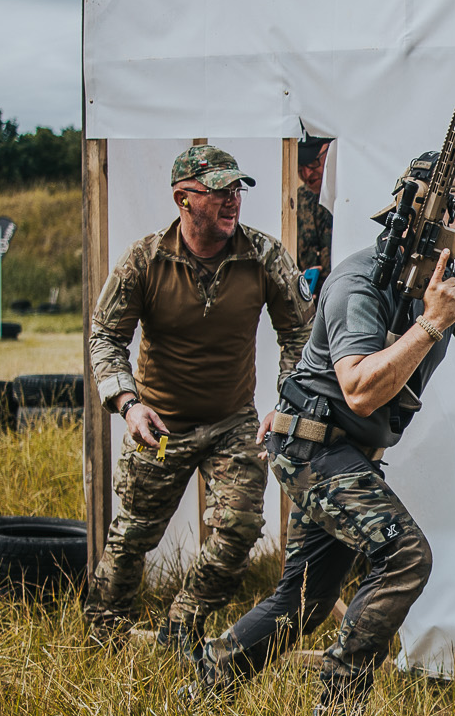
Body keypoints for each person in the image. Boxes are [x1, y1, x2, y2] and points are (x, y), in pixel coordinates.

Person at [184, 152, 455, 716]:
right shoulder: (361, 281)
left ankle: (207, 679)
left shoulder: (453, 289)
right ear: (421, 213)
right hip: (310, 445)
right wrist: (430, 325)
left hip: (345, 455)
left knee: (304, 601)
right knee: (406, 556)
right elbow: (357, 389)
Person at [85, 145, 312, 645]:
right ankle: (103, 634)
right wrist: (127, 403)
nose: (233, 201)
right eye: (219, 192)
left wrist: (287, 401)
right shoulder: (143, 261)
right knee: (134, 534)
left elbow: (300, 331)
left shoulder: (264, 255)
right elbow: (104, 334)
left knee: (240, 527)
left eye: (237, 190)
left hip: (233, 423)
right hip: (160, 423)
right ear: (183, 200)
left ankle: (181, 624)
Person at [295, 137, 335, 296]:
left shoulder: (349, 197)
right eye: (299, 166)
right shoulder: (299, 200)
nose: (306, 173)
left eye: (312, 162)